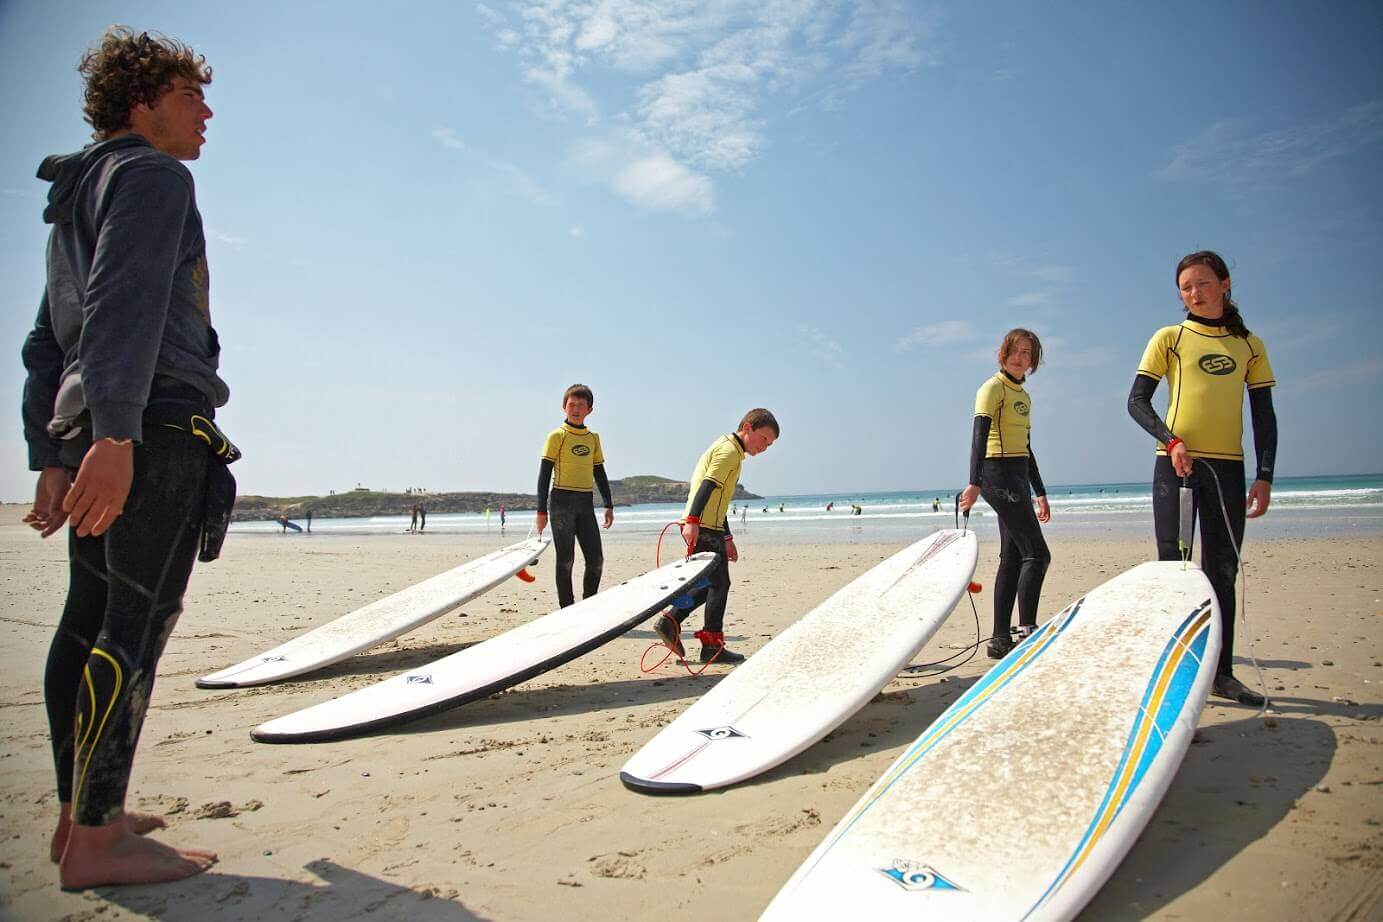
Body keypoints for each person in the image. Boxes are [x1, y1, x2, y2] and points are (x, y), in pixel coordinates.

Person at [20, 26, 229, 888]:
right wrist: (115, 435)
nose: (206, 113)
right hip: (150, 423)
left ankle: (81, 816)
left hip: (97, 425)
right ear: (140, 101)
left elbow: (45, 344)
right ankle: (101, 841)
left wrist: (53, 449)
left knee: (88, 617)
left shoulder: (78, 193)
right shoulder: (150, 173)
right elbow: (125, 303)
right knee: (133, 626)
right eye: (189, 96)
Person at [1127, 250, 1277, 707]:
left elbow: (1264, 416)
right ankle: (1173, 674)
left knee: (1222, 574)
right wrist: (1172, 442)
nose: (1195, 293)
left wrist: (1265, 474)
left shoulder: (1250, 345)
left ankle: (1222, 674)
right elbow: (1137, 402)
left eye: (1203, 283)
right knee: (1174, 571)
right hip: (1177, 467)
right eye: (1186, 287)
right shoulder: (1170, 338)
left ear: (1225, 284)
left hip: (1228, 469)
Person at [653, 409, 779, 664]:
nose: (765, 447)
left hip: (710, 527)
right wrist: (692, 521)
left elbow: (719, 502)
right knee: (719, 584)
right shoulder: (729, 451)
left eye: (770, 444)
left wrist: (728, 538)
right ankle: (709, 646)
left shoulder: (731, 450)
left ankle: (672, 621)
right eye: (764, 439)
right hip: (702, 527)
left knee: (713, 584)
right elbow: (706, 486)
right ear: (747, 427)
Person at [959, 328, 1052, 659]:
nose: (1020, 357)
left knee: (1013, 556)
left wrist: (1039, 491)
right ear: (1003, 352)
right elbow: (979, 436)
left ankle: (1000, 639)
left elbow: (1026, 449)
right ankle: (1028, 631)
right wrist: (975, 481)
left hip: (1017, 476)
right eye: (1015, 350)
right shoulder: (992, 388)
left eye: (1027, 353)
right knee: (1038, 555)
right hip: (996, 474)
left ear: (1033, 361)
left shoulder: (1023, 397)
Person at [535, 384, 614, 607]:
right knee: (566, 560)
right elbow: (544, 475)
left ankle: (588, 605)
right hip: (561, 502)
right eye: (572, 404)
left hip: (585, 504)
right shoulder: (557, 436)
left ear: (590, 409)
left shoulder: (593, 438)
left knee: (596, 560)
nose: (576, 409)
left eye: (581, 405)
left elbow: (599, 472)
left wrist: (608, 504)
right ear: (564, 407)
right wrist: (541, 510)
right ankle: (567, 609)